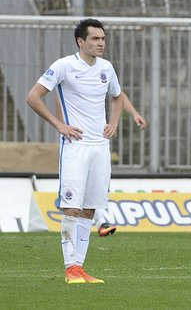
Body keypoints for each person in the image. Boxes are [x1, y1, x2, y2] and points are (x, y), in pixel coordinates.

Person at [25, 18, 145, 284]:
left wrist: (114, 121)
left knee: (90, 209)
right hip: (75, 147)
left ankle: (80, 268)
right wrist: (59, 125)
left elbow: (117, 96)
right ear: (81, 41)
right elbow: (33, 96)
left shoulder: (107, 68)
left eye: (102, 38)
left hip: (100, 147)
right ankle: (70, 269)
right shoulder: (64, 66)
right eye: (95, 39)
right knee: (72, 207)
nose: (101, 43)